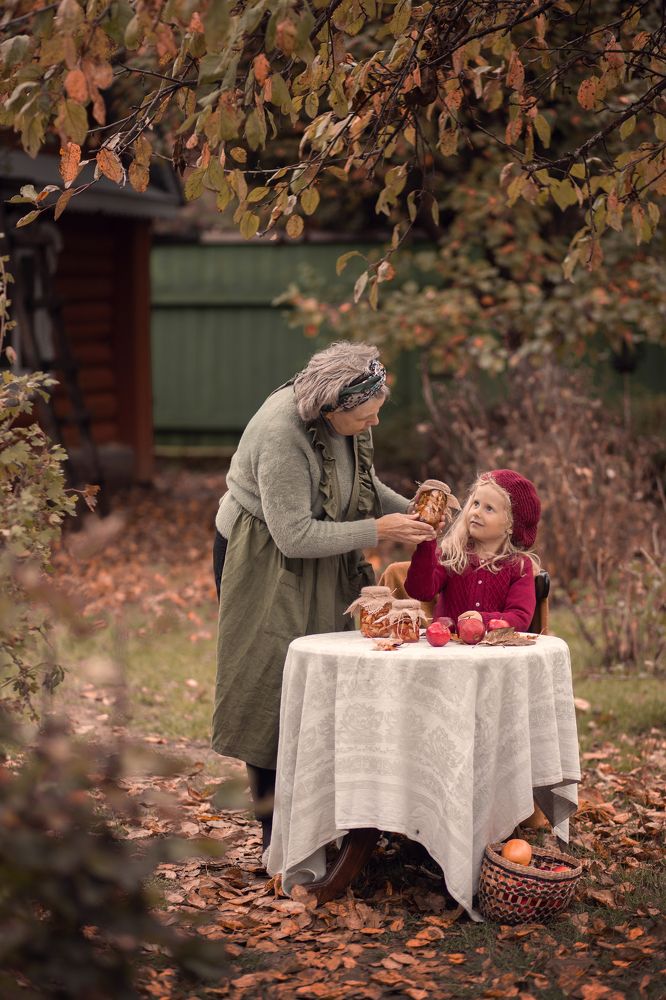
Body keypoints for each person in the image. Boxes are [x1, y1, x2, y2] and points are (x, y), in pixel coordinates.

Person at [212, 342, 436, 849]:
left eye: (378, 413)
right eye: (365, 417)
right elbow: (293, 534)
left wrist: (418, 515)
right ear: (332, 407)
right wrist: (376, 530)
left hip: (317, 551)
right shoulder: (280, 436)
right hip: (261, 557)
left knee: (327, 683)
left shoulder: (346, 420)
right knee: (273, 685)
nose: (372, 424)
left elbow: (362, 483)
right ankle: (278, 836)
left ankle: (327, 820)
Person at [405, 469, 541, 631]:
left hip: (496, 652)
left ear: (511, 525)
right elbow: (420, 591)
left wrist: (483, 620)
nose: (476, 512)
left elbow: (520, 617)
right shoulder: (453, 554)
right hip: (448, 650)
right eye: (475, 503)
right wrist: (426, 542)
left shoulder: (518, 566)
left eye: (489, 508)